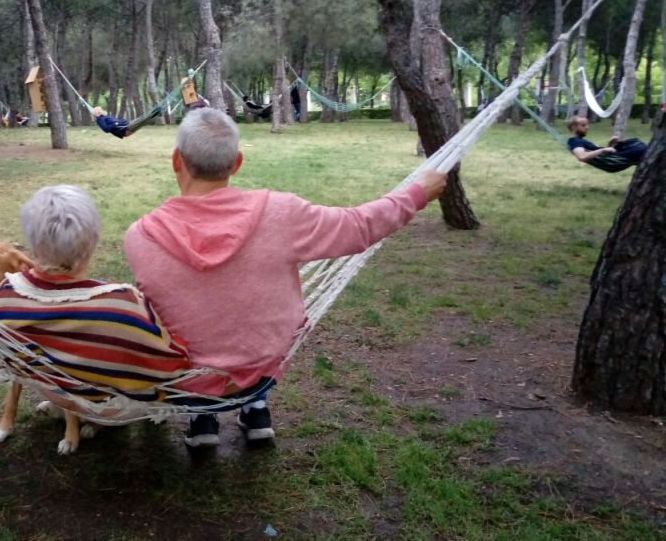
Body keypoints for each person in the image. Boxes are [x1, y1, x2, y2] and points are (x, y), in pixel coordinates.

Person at [123, 108, 447, 448]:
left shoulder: (141, 237)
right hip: (261, 371)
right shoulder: (281, 214)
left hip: (189, 384)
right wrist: (416, 194)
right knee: (254, 311)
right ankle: (255, 407)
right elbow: (359, 226)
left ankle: (202, 417)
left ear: (176, 160)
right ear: (236, 163)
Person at [0, 185, 192, 403]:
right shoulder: (124, 305)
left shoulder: (3, 301)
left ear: (33, 244)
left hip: (57, 394)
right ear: (92, 243)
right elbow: (172, 365)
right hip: (115, 404)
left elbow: (4, 357)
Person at [566, 116, 647, 173]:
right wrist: (603, 149)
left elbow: (602, 157)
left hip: (612, 158)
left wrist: (610, 144)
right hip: (614, 161)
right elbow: (582, 157)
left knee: (634, 142)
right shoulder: (574, 141)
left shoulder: (580, 141)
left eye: (587, 125)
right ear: (574, 127)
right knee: (641, 148)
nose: (587, 127)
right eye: (583, 125)